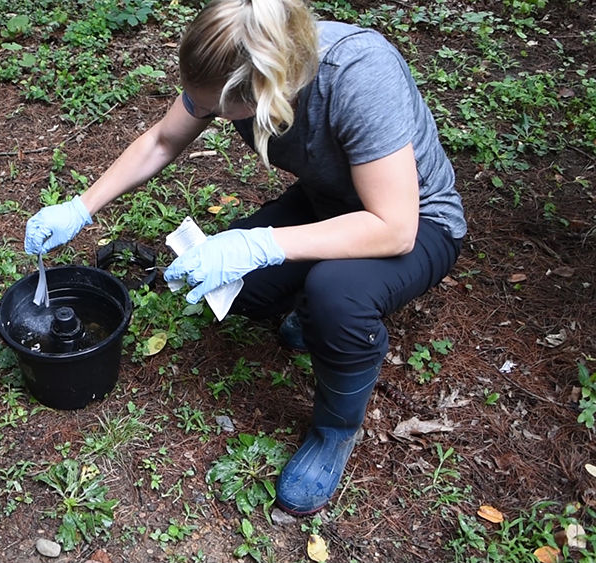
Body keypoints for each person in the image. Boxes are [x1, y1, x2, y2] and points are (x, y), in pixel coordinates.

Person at [23, 0, 465, 515]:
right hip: (329, 203)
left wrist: (258, 244)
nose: (202, 113)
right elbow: (164, 139)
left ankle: (335, 431)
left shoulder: (360, 75)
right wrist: (81, 207)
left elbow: (394, 228)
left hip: (416, 221)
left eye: (213, 110)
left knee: (336, 297)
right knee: (242, 291)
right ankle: (310, 303)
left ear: (267, 88)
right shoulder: (236, 63)